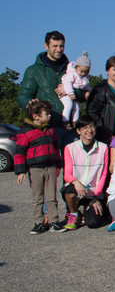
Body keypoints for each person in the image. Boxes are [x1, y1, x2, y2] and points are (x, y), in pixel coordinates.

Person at [14, 99, 65, 233]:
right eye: (46, 114)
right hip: (35, 169)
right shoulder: (24, 132)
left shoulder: (50, 130)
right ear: (35, 116)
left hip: (51, 167)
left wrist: (59, 164)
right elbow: (19, 153)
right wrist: (20, 171)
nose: (49, 116)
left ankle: (54, 222)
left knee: (51, 196)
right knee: (38, 197)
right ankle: (39, 222)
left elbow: (56, 148)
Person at [18, 31, 85, 128]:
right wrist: (30, 104)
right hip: (46, 127)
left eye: (61, 46)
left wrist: (70, 90)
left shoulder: (73, 70)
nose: (58, 49)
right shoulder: (33, 70)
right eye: (55, 46)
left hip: (69, 128)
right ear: (46, 46)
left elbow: (84, 94)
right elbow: (23, 96)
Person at [62, 115, 111, 230]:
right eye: (84, 128)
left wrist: (96, 196)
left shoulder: (103, 148)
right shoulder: (70, 148)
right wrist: (76, 182)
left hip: (93, 192)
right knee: (69, 189)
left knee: (93, 223)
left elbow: (104, 174)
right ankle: (74, 215)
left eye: (92, 127)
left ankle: (91, 211)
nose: (89, 131)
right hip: (77, 191)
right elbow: (67, 174)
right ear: (78, 131)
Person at [86, 56, 115, 144]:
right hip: (110, 137)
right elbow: (92, 113)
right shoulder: (99, 90)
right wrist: (106, 133)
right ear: (107, 70)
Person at [59, 51, 91, 127]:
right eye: (81, 71)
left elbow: (86, 86)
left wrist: (87, 91)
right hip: (66, 93)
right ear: (76, 67)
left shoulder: (84, 78)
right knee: (68, 105)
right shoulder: (71, 74)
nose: (83, 74)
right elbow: (67, 84)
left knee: (77, 108)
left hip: (74, 95)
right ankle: (65, 121)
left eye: (85, 72)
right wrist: (71, 93)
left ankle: (75, 122)